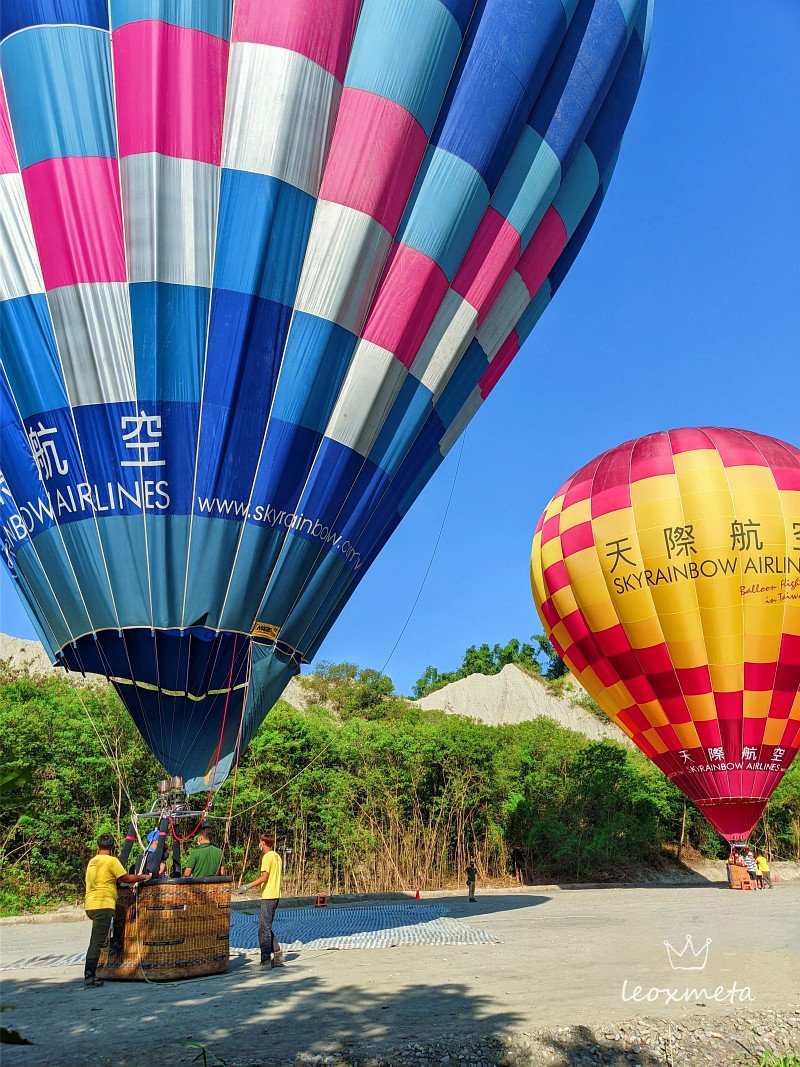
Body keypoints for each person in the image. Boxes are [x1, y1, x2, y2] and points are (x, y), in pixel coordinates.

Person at [84, 833, 151, 987]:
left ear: (97, 847)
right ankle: (89, 977)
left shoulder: (92, 861)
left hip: (91, 904)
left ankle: (115, 943)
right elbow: (126, 879)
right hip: (103, 905)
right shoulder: (112, 861)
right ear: (113, 848)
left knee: (121, 912)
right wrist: (144, 877)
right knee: (96, 941)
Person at [241, 833, 284, 968]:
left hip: (269, 895)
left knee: (263, 929)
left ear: (263, 843)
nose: (259, 844)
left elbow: (264, 877)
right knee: (265, 927)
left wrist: (248, 885)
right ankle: (277, 954)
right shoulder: (277, 856)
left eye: (260, 842)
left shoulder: (267, 857)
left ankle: (265, 960)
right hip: (275, 894)